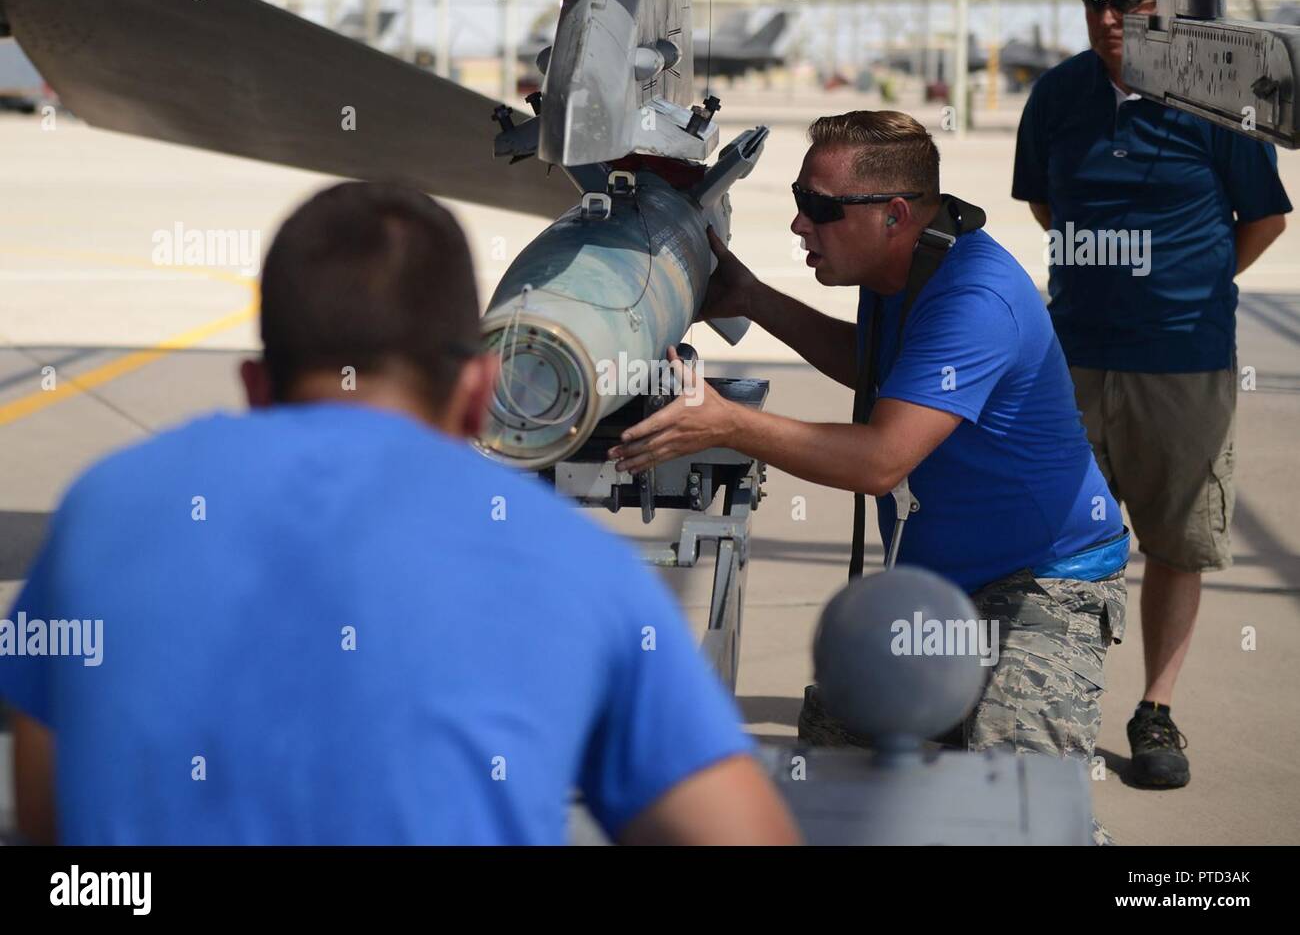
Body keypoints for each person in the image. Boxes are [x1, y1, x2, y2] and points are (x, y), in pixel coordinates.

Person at [0, 181, 799, 846]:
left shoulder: (104, 512)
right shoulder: (569, 563)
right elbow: (740, 833)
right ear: (481, 393)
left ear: (253, 385)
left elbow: (46, 817)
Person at [609, 110, 1129, 777]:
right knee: (837, 767)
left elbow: (880, 461)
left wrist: (729, 423)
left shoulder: (974, 296)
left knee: (1016, 799)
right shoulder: (906, 271)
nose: (800, 223)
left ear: (893, 214)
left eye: (817, 206)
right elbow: (884, 366)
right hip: (940, 583)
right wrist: (755, 299)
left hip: (1043, 582)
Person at [1012, 0, 1291, 789]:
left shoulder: (1217, 101)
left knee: (1177, 541)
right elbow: (1043, 203)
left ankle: (1155, 710)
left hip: (1184, 361)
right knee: (1057, 538)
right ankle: (1052, 699)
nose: (1109, 16)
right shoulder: (1058, 96)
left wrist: (1186, 286)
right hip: (1077, 359)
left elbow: (1264, 220)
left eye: (1129, 2)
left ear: (1166, 8)